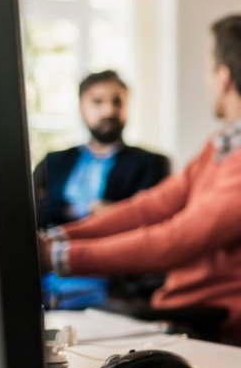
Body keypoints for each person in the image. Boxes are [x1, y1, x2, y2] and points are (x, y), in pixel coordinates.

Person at [41, 14, 241, 345]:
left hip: (208, 327)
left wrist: (57, 258)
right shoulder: (228, 142)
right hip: (178, 310)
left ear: (224, 77)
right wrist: (57, 237)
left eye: (208, 69)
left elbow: (177, 239)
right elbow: (153, 206)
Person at [33, 70, 170, 308]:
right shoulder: (54, 163)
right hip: (43, 277)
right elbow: (33, 212)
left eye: (117, 101)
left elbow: (153, 222)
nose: (109, 111)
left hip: (110, 283)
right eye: (98, 102)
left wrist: (116, 214)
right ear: (81, 107)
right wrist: (83, 208)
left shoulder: (150, 163)